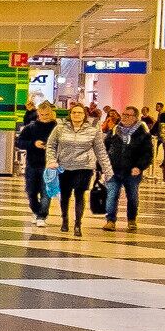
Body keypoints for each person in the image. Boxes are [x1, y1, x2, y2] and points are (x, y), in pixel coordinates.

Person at [47, 97, 103, 235]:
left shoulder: (92, 130)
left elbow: (99, 149)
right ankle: (65, 220)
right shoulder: (60, 128)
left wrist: (104, 168)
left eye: (79, 112)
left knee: (80, 194)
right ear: (70, 114)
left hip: (84, 167)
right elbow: (51, 145)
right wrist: (51, 160)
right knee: (65, 195)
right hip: (65, 166)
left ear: (84, 115)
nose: (76, 115)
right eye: (74, 112)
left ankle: (78, 224)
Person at [103, 105, 154, 230]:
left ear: (135, 118)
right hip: (114, 169)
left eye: (128, 115)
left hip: (132, 171)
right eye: (124, 114)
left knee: (132, 196)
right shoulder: (115, 130)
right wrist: (102, 166)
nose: (124, 117)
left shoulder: (142, 133)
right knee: (111, 195)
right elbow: (105, 148)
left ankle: (131, 220)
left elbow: (147, 153)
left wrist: (140, 167)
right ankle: (110, 220)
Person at [12, 99, 52, 219]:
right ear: (38, 114)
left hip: (49, 165)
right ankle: (37, 210)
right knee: (31, 192)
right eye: (42, 114)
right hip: (32, 164)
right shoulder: (31, 128)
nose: (44, 117)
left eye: (47, 114)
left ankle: (42, 215)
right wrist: (33, 144)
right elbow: (19, 142)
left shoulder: (56, 128)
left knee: (46, 192)